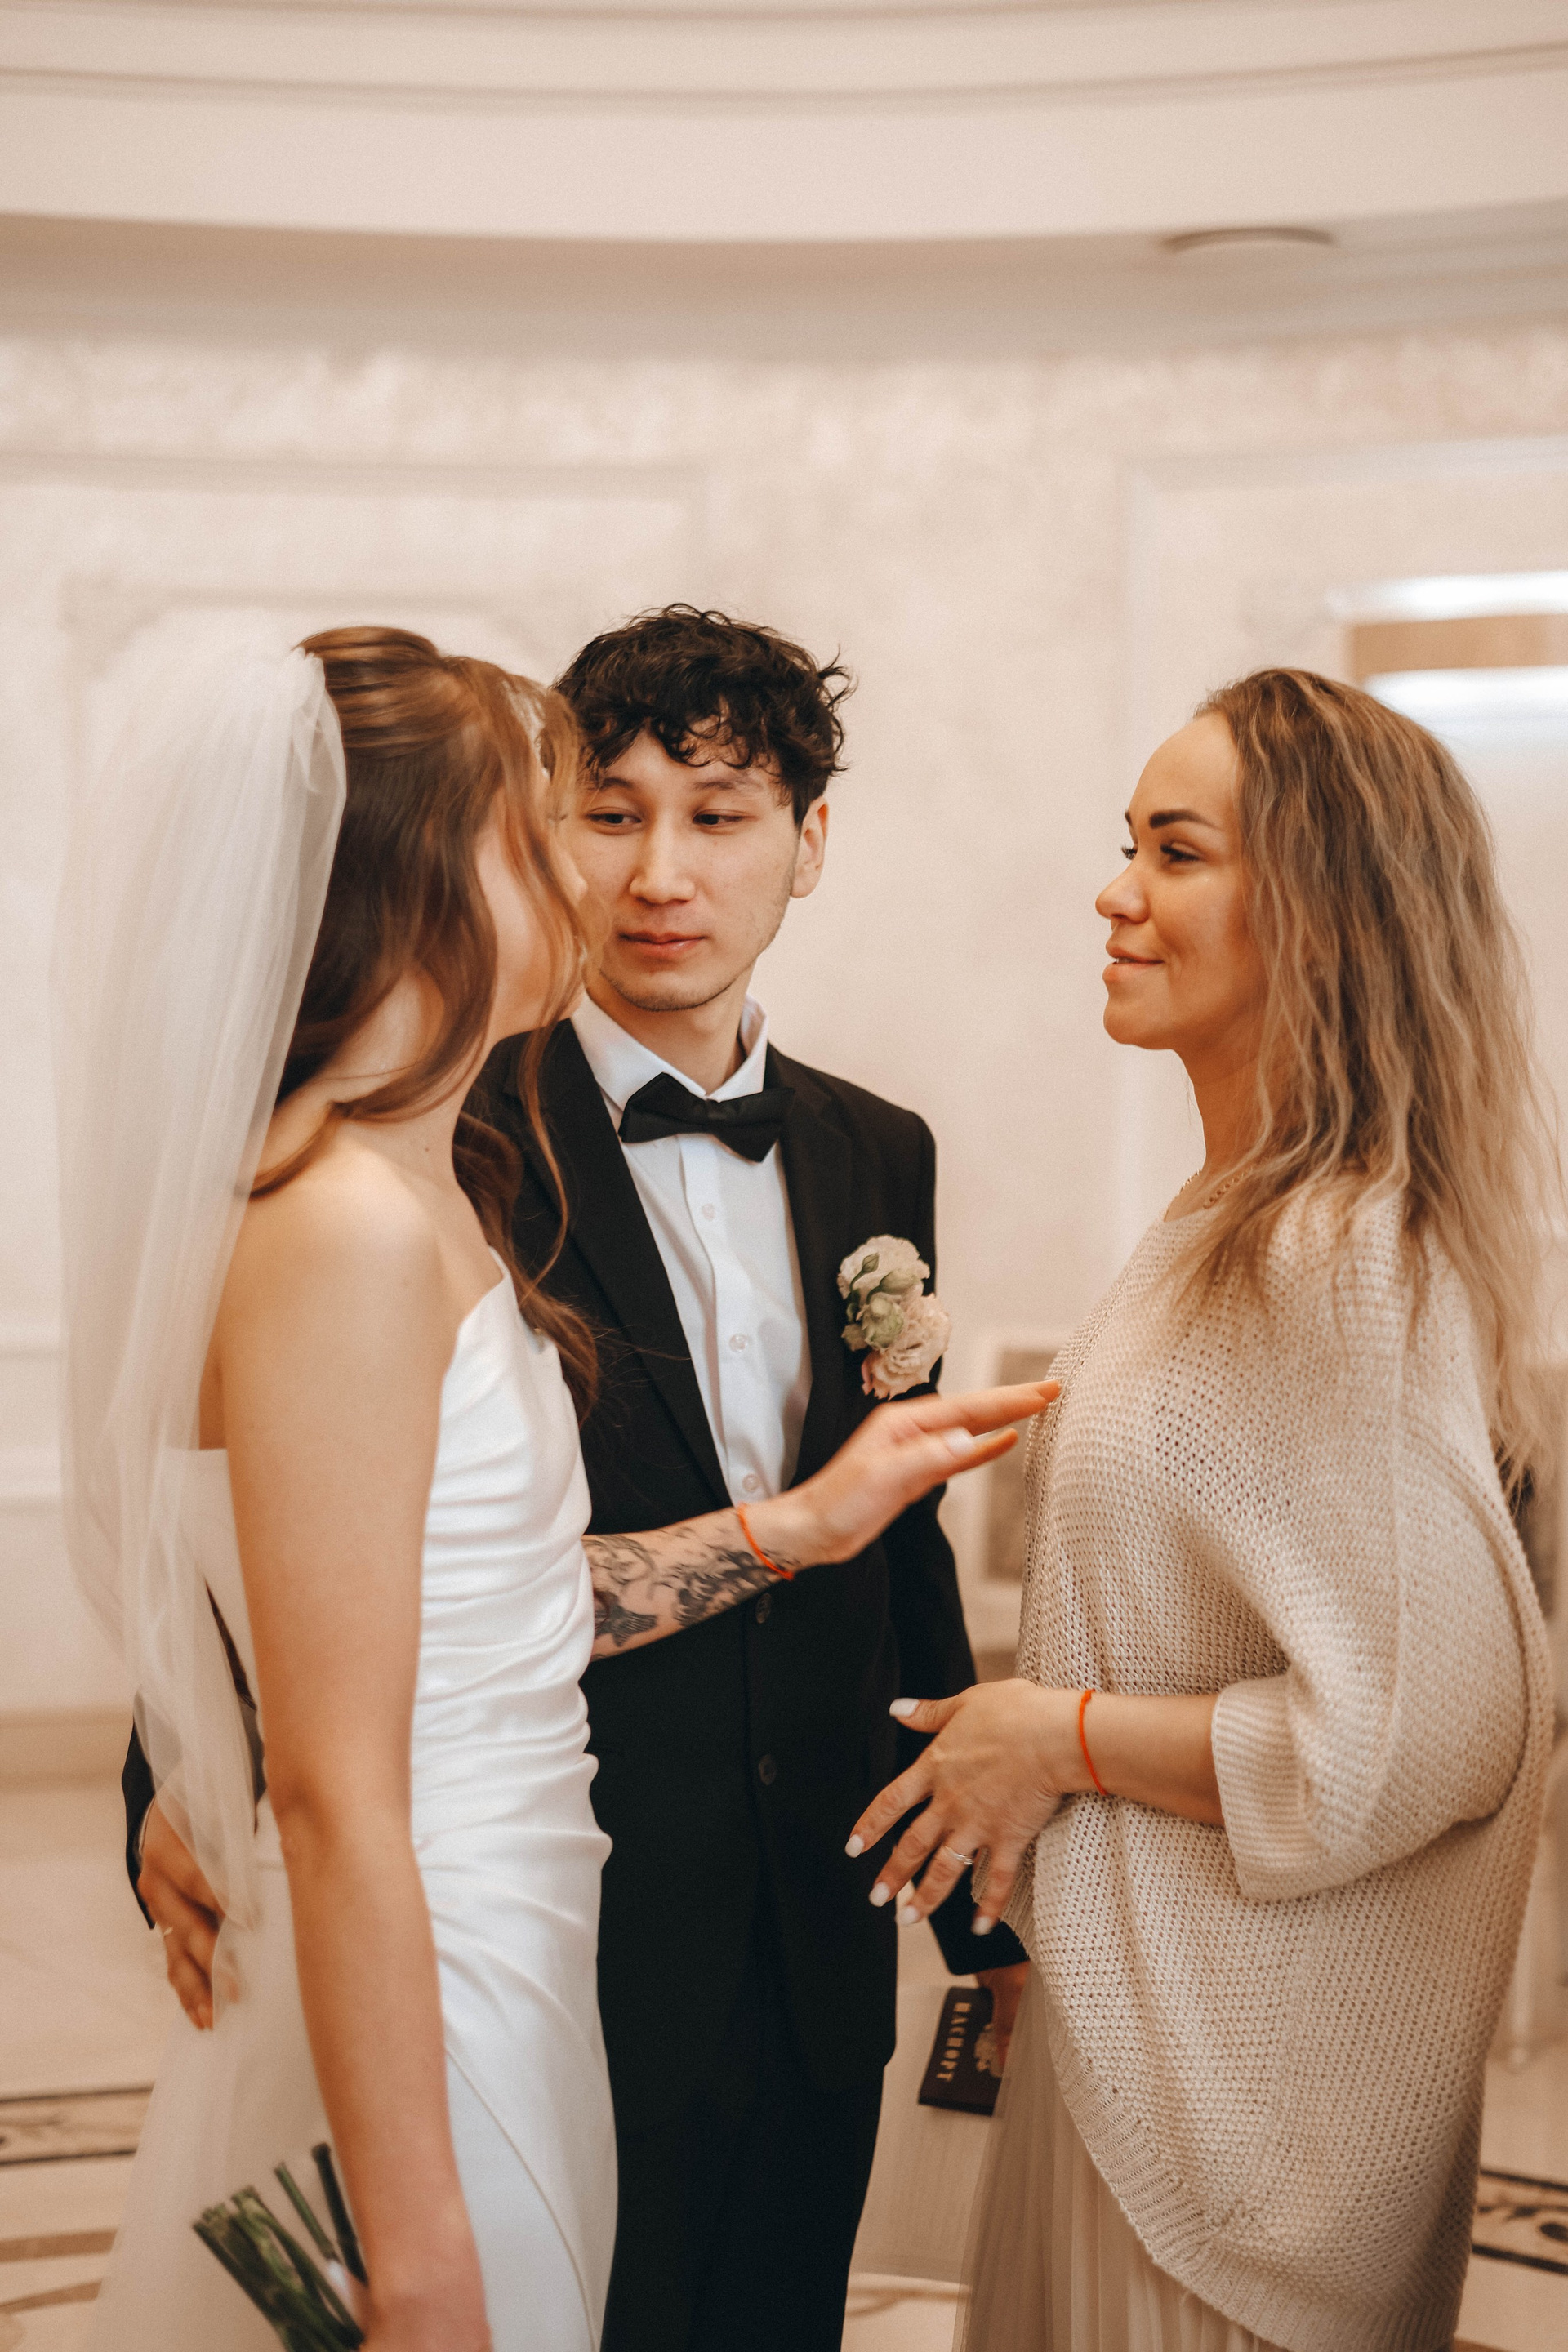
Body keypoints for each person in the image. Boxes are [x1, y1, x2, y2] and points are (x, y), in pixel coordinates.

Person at [69, 624, 1048, 2352]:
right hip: (532, 1930)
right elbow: (282, 1535)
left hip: (792, 1913)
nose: (640, 878)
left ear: (807, 842)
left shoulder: (872, 1148)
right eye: (583, 822)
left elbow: (880, 1548)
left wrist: (979, 1921)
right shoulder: (436, 1146)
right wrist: (194, 1769)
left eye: (719, 817)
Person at [849, 668, 1556, 2352]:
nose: (1115, 893)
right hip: (1150, 2061)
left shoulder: (1336, 1252)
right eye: (1130, 844)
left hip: (1239, 2133)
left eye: (1176, 853)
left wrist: (1055, 1735)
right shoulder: (1226, 1219)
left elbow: (1433, 1730)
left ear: (1325, 911)